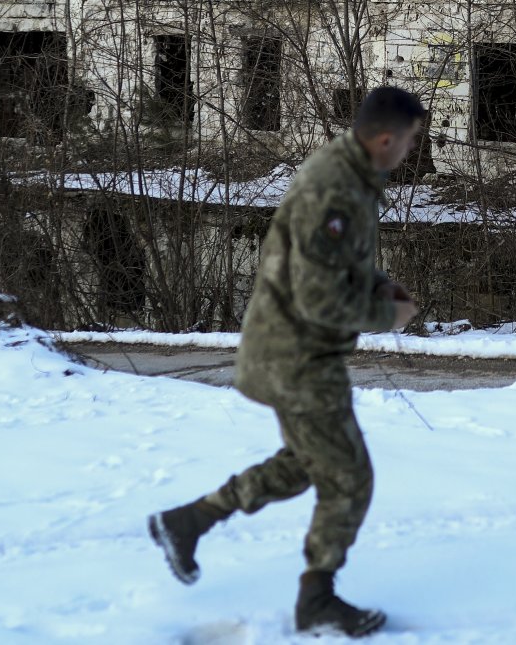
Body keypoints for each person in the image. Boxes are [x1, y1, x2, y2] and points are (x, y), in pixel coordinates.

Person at [148, 85, 425, 638]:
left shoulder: (353, 177)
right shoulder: (336, 192)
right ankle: (316, 600)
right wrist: (383, 313)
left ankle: (188, 522)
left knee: (305, 463)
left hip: (296, 350)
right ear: (388, 138)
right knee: (348, 478)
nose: (412, 152)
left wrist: (377, 283)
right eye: (412, 141)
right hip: (297, 356)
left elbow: (334, 267)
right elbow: (316, 296)